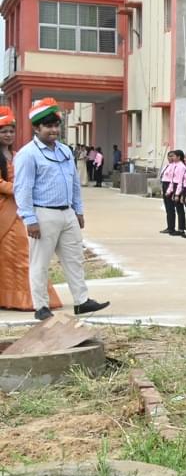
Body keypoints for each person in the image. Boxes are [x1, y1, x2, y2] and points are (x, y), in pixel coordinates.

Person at [11, 99, 110, 319]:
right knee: (40, 263)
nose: (54, 130)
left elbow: (74, 183)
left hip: (67, 213)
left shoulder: (65, 151)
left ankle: (81, 301)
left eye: (56, 126)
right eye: (48, 126)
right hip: (42, 213)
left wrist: (79, 210)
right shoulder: (28, 155)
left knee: (74, 259)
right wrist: (29, 219)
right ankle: (41, 307)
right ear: (37, 128)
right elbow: (22, 188)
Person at [0, 107, 63, 312]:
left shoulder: (19, 154)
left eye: (11, 131)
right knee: (13, 255)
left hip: (22, 210)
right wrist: (21, 191)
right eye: (3, 131)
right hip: (5, 210)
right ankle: (17, 298)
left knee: (26, 254)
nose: (8, 135)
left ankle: (31, 298)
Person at [158, 150, 183, 235]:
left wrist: (170, 190)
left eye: (172, 156)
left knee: (171, 207)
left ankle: (173, 227)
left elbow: (174, 178)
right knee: (168, 208)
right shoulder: (167, 165)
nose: (170, 158)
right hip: (165, 185)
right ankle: (169, 226)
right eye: (169, 156)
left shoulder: (176, 166)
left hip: (170, 185)